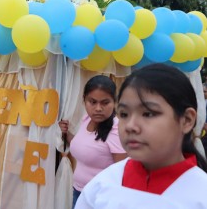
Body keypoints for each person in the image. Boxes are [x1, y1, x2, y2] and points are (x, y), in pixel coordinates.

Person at [75, 64, 207, 209]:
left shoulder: (200, 195)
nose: (131, 126)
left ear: (187, 120)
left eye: (148, 113)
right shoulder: (103, 183)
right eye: (124, 114)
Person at [59, 75, 127, 208]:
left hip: (100, 199)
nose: (98, 108)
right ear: (84, 100)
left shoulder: (116, 131)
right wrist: (66, 133)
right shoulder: (86, 120)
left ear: (115, 102)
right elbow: (84, 146)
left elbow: (124, 172)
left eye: (105, 102)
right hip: (79, 192)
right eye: (93, 102)